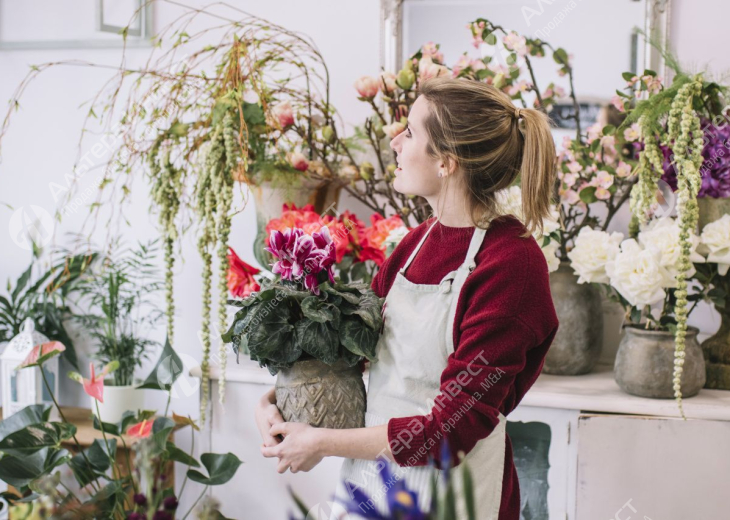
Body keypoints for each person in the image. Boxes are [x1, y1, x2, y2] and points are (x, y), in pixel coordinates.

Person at [255, 76, 560, 519]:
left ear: (447, 163)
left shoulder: (511, 263)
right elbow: (357, 359)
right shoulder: (415, 243)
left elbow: (450, 433)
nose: (396, 141)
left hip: (454, 494)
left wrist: (321, 442)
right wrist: (280, 402)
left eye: (412, 132)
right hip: (376, 485)